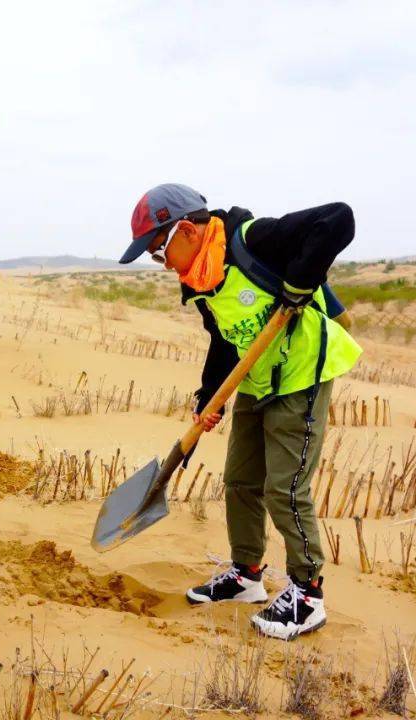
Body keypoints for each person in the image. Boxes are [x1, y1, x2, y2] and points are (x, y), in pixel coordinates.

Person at [120, 183, 361, 640]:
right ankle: (246, 575)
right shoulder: (202, 278)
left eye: (160, 251)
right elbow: (223, 340)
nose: (164, 264)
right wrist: (209, 397)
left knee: (284, 486)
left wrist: (298, 285)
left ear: (186, 230)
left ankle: (307, 595)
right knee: (240, 479)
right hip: (255, 378)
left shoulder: (254, 239)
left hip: (301, 372)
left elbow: (337, 219)